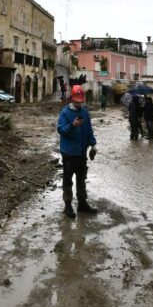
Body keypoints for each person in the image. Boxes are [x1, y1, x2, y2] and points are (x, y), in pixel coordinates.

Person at [56, 85, 98, 218]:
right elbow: (61, 130)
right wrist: (72, 126)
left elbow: (89, 130)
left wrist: (93, 145)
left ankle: (82, 203)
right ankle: (68, 205)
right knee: (68, 180)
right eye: (77, 100)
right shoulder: (65, 113)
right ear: (72, 99)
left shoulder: (85, 112)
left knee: (81, 179)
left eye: (81, 101)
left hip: (81, 152)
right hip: (68, 153)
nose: (79, 103)